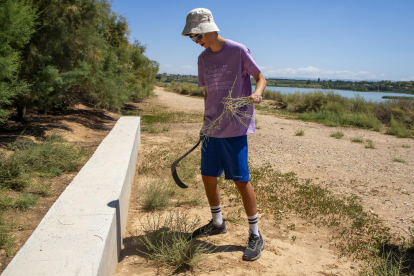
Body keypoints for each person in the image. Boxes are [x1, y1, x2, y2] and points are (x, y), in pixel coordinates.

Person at [182, 8, 267, 261]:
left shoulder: (238, 50)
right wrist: (205, 122)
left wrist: (258, 93)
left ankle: (255, 234)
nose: (196, 41)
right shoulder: (203, 58)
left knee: (241, 180)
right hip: (211, 129)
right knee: (208, 176)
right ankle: (218, 222)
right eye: (192, 38)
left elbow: (260, 77)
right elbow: (208, 93)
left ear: (209, 28)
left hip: (235, 128)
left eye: (197, 36)